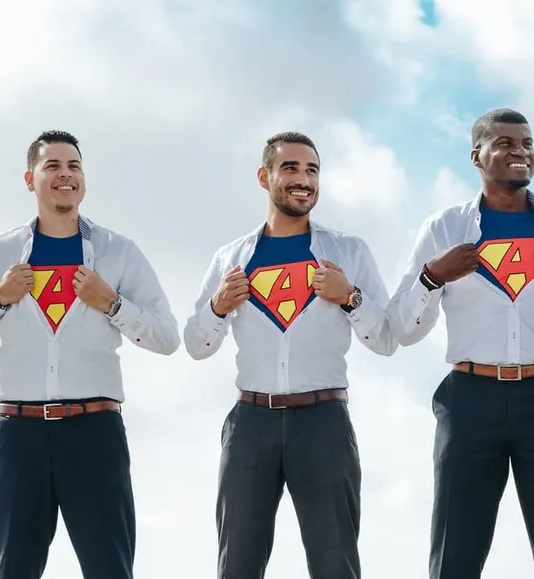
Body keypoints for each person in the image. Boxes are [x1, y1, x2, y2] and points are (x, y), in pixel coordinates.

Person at [386, 108, 534, 579]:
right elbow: (404, 328)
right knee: (455, 554)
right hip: (469, 400)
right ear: (477, 155)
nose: (521, 152)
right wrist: (432, 277)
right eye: (507, 143)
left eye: (528, 144)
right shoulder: (444, 229)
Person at [0, 130, 181, 579]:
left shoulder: (118, 252)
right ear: (30, 179)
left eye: (74, 166)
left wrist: (112, 303)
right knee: (13, 572)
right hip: (18, 437)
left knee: (110, 570)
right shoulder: (0, 253)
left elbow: (167, 337)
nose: (65, 175)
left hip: (95, 434)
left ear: (83, 178)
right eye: (52, 166)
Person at [183, 131, 397, 579]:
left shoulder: (347, 252)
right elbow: (197, 345)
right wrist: (219, 306)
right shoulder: (231, 258)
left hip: (323, 423)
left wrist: (350, 297)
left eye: (312, 170)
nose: (303, 179)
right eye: (291, 168)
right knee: (237, 564)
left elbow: (385, 340)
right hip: (250, 425)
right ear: (265, 177)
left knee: (334, 563)